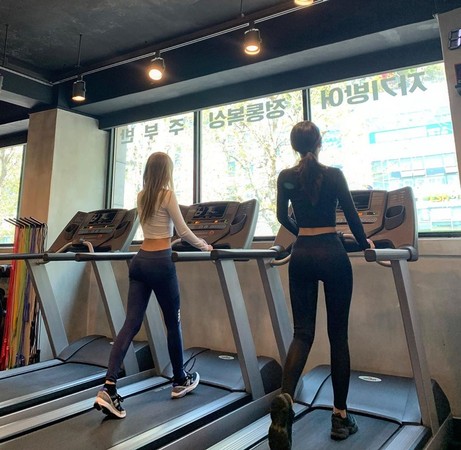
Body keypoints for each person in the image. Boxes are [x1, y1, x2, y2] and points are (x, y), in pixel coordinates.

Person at [268, 121, 374, 449]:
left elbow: (281, 216)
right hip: (332, 253)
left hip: (301, 255)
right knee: (338, 337)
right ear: (319, 143)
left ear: (294, 146)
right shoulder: (334, 175)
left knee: (302, 334)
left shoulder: (286, 176)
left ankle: (284, 407)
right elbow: (353, 217)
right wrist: (365, 244)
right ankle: (340, 417)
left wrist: (301, 232)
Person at [94, 152, 213, 419]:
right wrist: (204, 246)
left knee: (131, 324)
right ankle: (180, 379)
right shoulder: (167, 195)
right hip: (161, 262)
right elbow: (182, 231)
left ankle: (108, 386)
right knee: (173, 322)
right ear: (166, 172)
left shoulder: (142, 196)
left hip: (140, 261)